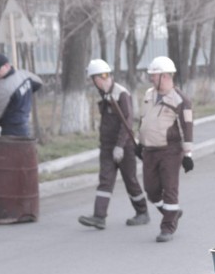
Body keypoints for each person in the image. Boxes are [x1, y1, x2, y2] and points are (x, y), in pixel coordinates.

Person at [79, 59, 147, 230]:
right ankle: (99, 217)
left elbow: (127, 122)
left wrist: (120, 146)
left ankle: (142, 213)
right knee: (105, 180)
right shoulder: (104, 94)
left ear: (99, 78)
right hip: (107, 147)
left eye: (93, 79)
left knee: (130, 180)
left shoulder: (121, 94)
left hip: (124, 147)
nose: (93, 83)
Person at [135, 56, 193, 242]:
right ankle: (172, 212)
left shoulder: (180, 99)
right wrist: (139, 143)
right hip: (149, 150)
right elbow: (143, 121)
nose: (151, 78)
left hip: (170, 151)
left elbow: (187, 127)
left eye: (155, 75)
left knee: (170, 189)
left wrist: (188, 154)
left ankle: (167, 227)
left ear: (166, 76)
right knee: (151, 189)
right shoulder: (148, 94)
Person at [0, 53, 43, 138]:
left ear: (6, 66)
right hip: (25, 124)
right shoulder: (24, 74)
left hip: (10, 129)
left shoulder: (5, 87)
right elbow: (39, 83)